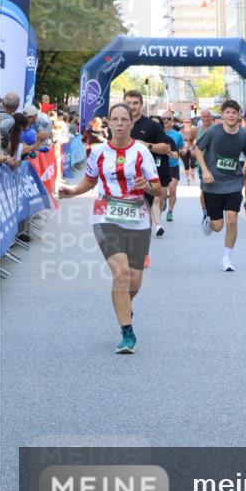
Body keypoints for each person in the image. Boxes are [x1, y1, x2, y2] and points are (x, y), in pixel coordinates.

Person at [56, 102, 162, 353]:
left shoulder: (141, 153)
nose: (120, 123)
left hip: (137, 217)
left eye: (125, 119)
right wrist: (71, 192)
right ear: (109, 123)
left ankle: (124, 303)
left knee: (134, 281)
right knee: (122, 274)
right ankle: (127, 332)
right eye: (115, 119)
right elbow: (90, 181)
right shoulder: (98, 152)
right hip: (106, 215)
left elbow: (160, 189)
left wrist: (147, 185)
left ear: (132, 123)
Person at [194, 100, 246, 272]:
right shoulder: (212, 132)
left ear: (238, 115)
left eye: (234, 113)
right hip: (212, 183)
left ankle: (227, 258)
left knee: (232, 219)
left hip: (234, 182)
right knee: (217, 226)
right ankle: (207, 215)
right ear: (222, 114)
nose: (231, 115)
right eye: (228, 112)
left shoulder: (244, 135)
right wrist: (205, 170)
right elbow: (198, 149)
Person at [124, 91, 171, 245]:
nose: (132, 106)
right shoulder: (118, 123)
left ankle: (141, 252)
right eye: (128, 103)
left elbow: (166, 147)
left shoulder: (151, 125)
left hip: (145, 179)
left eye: (135, 103)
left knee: (144, 215)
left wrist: (147, 145)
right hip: (122, 179)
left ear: (141, 105)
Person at [162, 111, 184, 223]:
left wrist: (185, 151)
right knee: (163, 191)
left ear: (172, 121)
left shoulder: (177, 135)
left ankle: (170, 211)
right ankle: (164, 199)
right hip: (160, 165)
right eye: (164, 118)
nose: (166, 121)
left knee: (172, 189)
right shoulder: (157, 133)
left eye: (168, 119)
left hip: (173, 165)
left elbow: (182, 147)